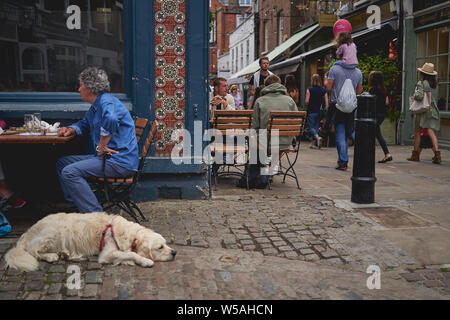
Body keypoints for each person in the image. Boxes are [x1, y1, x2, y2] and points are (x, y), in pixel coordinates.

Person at [56, 67, 139, 213]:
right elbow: (85, 124)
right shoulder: (97, 105)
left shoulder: (106, 102)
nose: (78, 89)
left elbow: (111, 118)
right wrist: (72, 129)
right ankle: (76, 207)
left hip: (119, 162)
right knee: (63, 163)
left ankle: (95, 216)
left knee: (70, 172)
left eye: (81, 85)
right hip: (108, 159)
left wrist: (101, 146)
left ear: (89, 87)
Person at [325, 58, 363, 171]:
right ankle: (348, 157)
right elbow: (359, 91)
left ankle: (343, 161)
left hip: (337, 106)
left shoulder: (334, 69)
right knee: (348, 132)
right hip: (351, 107)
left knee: (340, 133)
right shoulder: (358, 72)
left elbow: (328, 87)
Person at [407, 63, 441, 164]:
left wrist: (415, 94)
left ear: (423, 73)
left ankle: (415, 155)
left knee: (417, 132)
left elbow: (419, 97)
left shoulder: (421, 83)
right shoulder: (434, 84)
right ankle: (437, 155)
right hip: (432, 110)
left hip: (423, 111)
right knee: (431, 132)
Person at [368, 71, 393, 163]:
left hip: (375, 114)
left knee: (375, 134)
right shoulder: (383, 89)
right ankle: (386, 154)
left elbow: (371, 103)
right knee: (376, 134)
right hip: (382, 114)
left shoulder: (373, 90)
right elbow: (386, 102)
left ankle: (387, 154)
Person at [305, 74, 328, 149]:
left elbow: (307, 101)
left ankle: (318, 138)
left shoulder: (309, 89)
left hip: (311, 111)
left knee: (311, 127)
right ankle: (312, 144)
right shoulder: (323, 89)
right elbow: (326, 102)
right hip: (319, 111)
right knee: (316, 127)